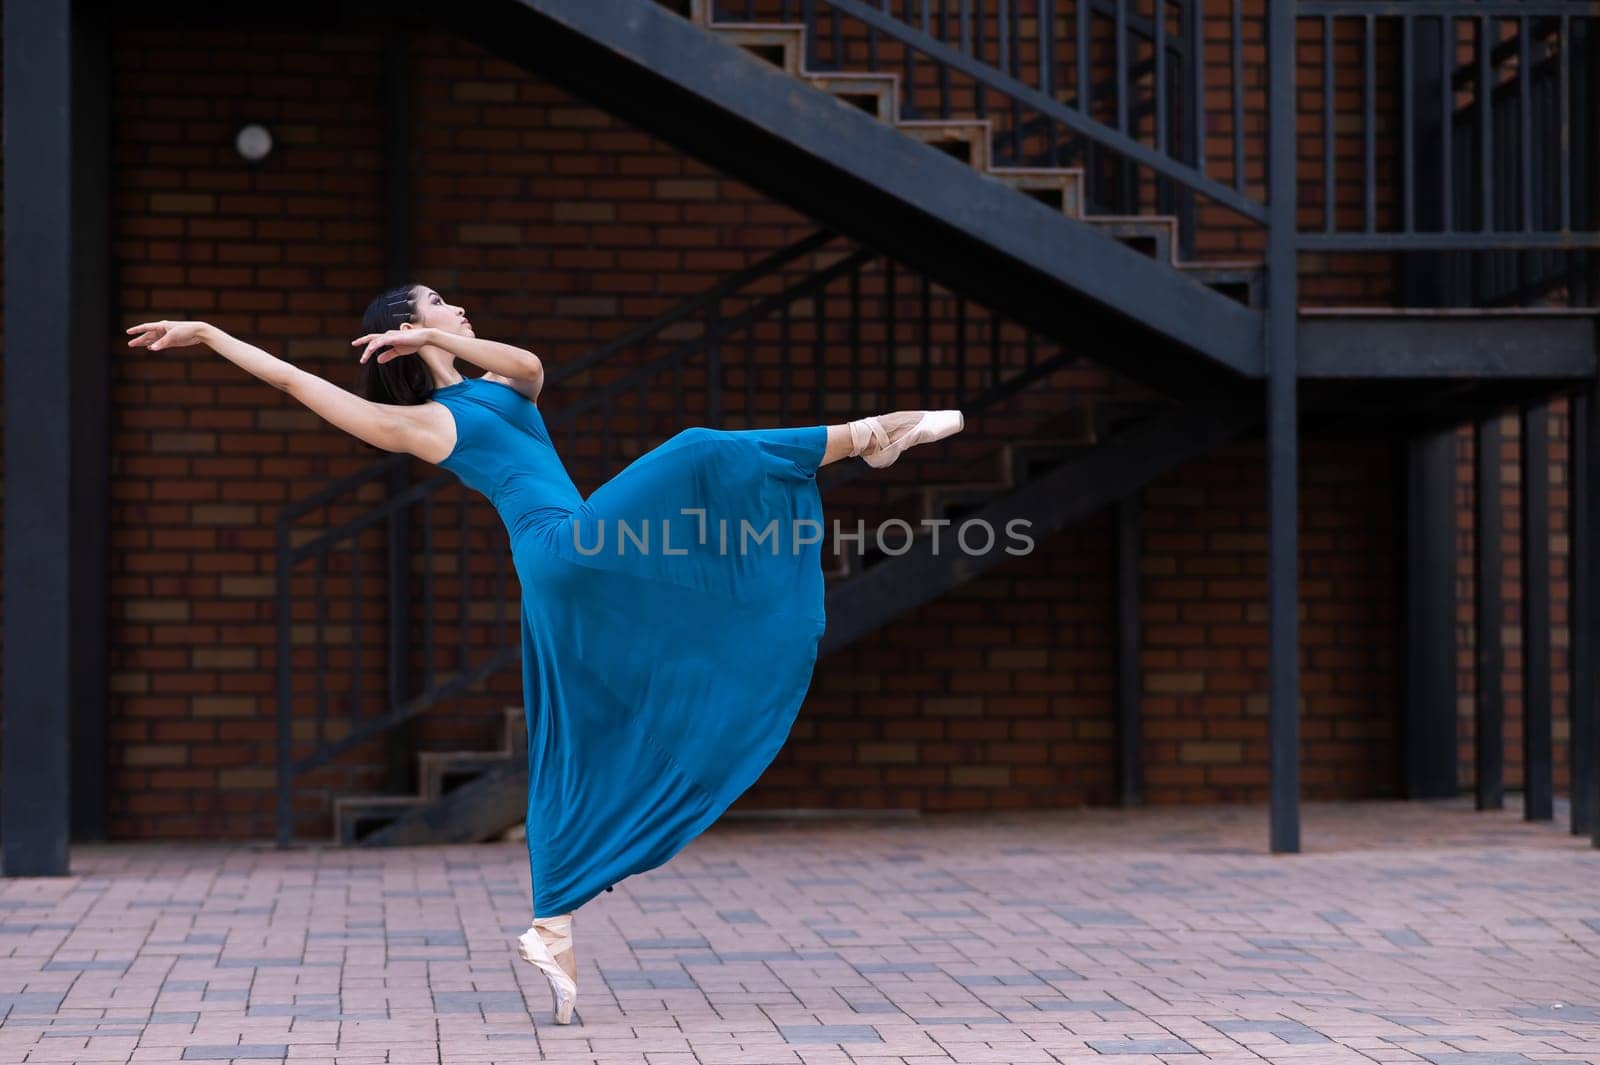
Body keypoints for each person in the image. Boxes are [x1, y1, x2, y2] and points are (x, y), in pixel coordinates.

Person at [126, 283, 963, 1024]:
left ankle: (551, 924)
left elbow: (528, 361)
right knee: (699, 447)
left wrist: (444, 342)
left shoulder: (499, 384)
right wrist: (210, 334)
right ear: (406, 327)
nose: (456, 307)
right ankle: (867, 436)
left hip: (580, 553)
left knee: (576, 733)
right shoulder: (424, 423)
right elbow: (296, 383)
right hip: (562, 548)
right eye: (438, 303)